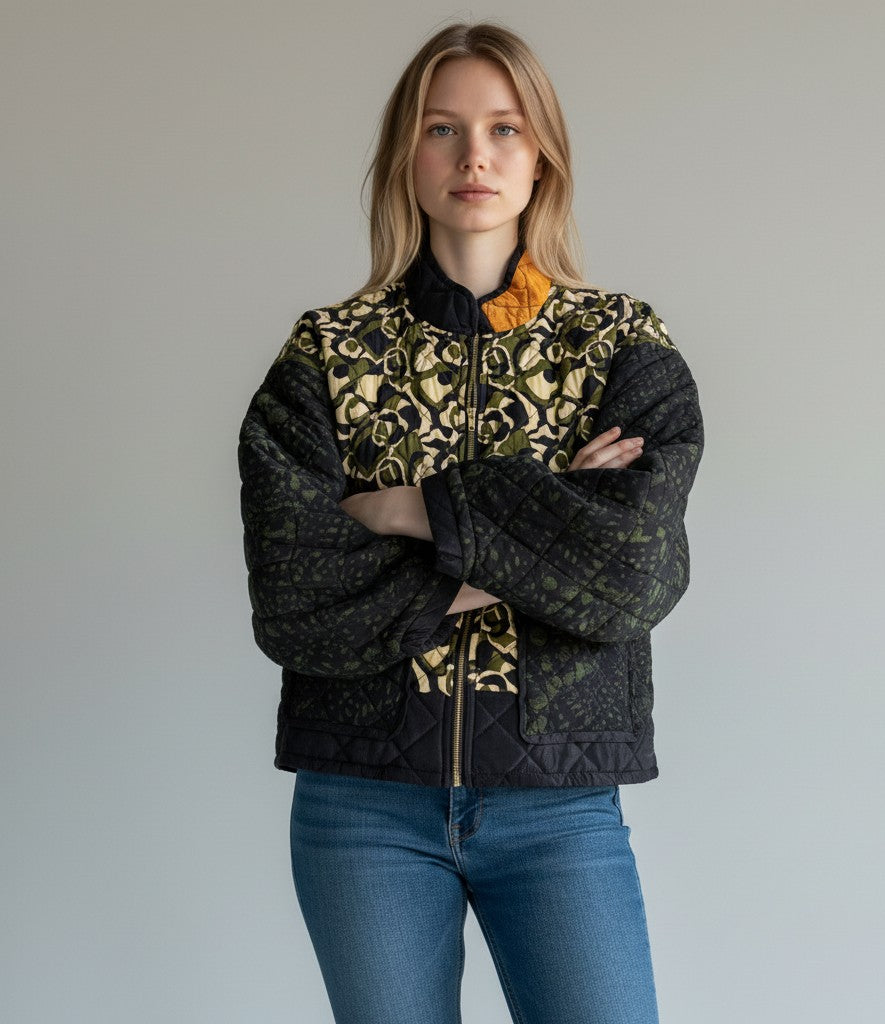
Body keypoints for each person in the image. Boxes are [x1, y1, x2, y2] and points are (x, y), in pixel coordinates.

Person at [236, 20, 703, 1024]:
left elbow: (631, 572)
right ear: (407, 156)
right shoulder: (324, 355)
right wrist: (540, 529)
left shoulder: (621, 346)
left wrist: (412, 510)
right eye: (442, 129)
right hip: (362, 801)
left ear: (542, 161)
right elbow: (296, 600)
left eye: (503, 128)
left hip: (558, 805)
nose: (475, 155)